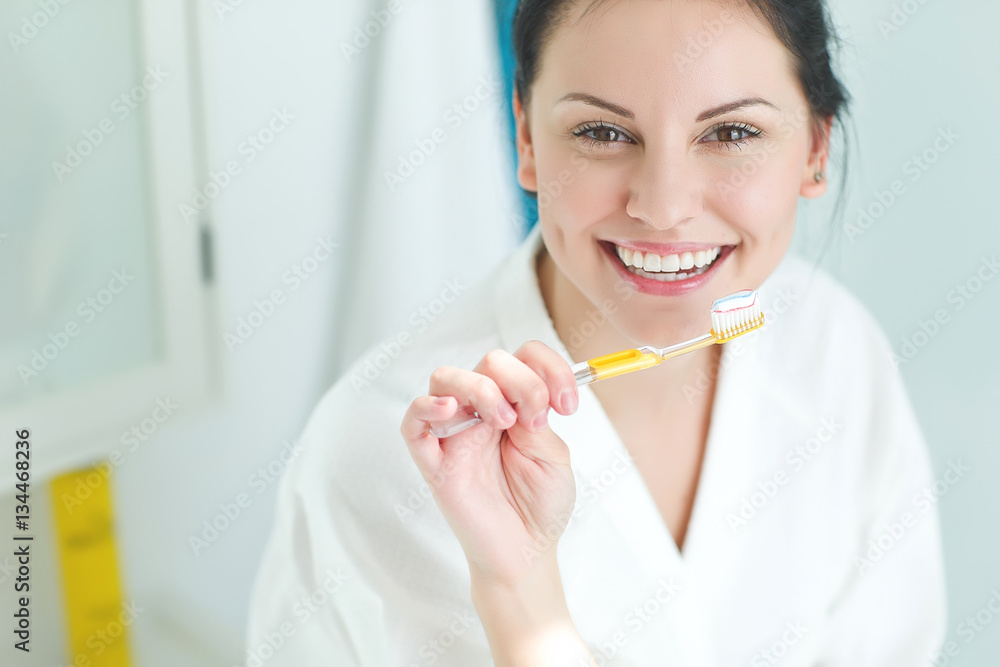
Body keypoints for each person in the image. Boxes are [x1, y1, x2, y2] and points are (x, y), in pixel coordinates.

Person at [247, 1, 947, 665]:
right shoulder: (376, 455)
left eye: (731, 133)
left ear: (817, 148)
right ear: (525, 138)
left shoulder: (838, 354)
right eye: (603, 133)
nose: (665, 207)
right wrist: (518, 593)